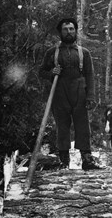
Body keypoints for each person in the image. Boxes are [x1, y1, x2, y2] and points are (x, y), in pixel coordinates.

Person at [39, 18, 102, 170]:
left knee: (82, 126)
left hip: (79, 91)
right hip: (59, 92)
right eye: (66, 29)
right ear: (60, 32)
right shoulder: (52, 52)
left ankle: (87, 159)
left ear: (76, 31)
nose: (69, 32)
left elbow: (90, 75)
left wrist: (90, 96)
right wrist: (51, 73)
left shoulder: (83, 53)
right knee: (62, 126)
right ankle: (63, 160)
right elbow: (41, 71)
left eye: (72, 29)